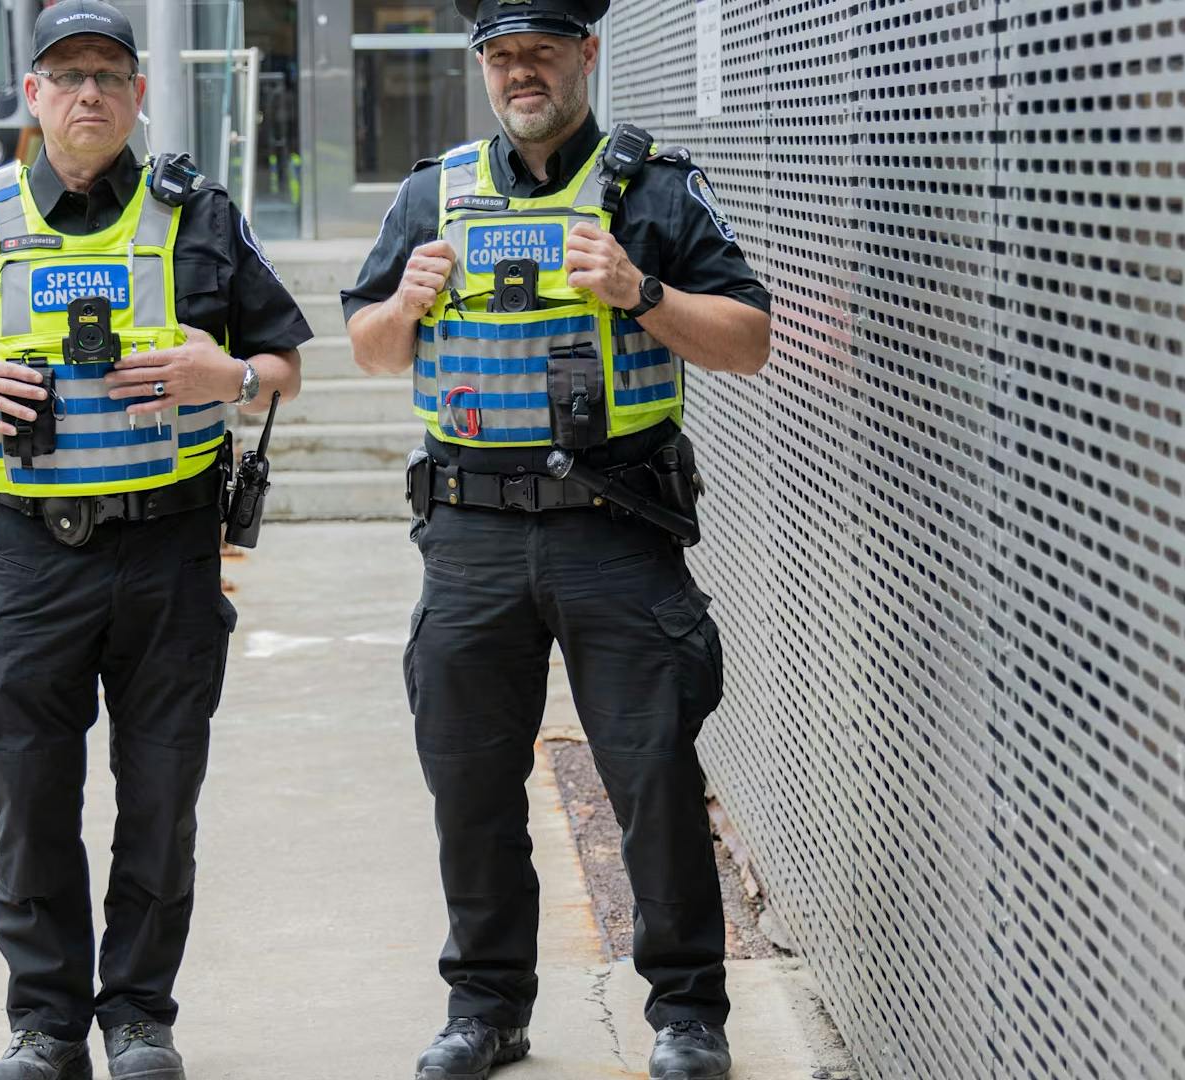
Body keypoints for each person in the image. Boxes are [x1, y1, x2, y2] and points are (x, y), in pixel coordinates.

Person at [340, 2, 772, 1077]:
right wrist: (405, 301)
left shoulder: (655, 191)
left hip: (615, 529)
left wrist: (640, 289)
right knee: (470, 783)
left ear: (587, 55)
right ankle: (487, 1011)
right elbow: (371, 351)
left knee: (653, 778)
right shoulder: (430, 195)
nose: (520, 73)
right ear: (481, 69)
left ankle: (686, 1017)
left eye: (541, 52)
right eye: (501, 57)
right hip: (471, 536)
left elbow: (750, 341)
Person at [0, 3, 309, 1077]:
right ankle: (44, 1028)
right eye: (67, 77)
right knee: (31, 801)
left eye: (108, 77)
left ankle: (140, 1019)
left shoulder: (201, 216)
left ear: (137, 94)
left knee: (160, 799)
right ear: (33, 96)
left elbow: (286, 363)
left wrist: (236, 376)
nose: (88, 95)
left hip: (168, 556)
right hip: (34, 561)